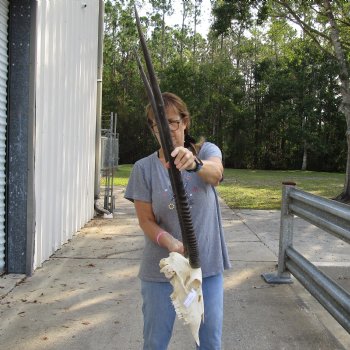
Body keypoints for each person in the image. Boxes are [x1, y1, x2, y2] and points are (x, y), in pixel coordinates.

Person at [124, 92, 231, 350]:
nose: (165, 129)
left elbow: (216, 174)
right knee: (155, 342)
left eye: (171, 121)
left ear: (184, 122)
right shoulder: (144, 168)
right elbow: (146, 220)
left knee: (209, 342)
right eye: (157, 124)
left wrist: (195, 164)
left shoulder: (206, 151)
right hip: (163, 269)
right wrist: (168, 240)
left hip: (206, 266)